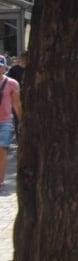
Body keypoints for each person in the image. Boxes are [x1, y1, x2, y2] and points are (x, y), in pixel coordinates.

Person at [0, 57, 22, 191]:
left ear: (4, 67)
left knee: (2, 151)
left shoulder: (12, 83)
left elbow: (16, 103)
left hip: (5, 122)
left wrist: (22, 120)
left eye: (1, 66)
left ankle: (0, 181)